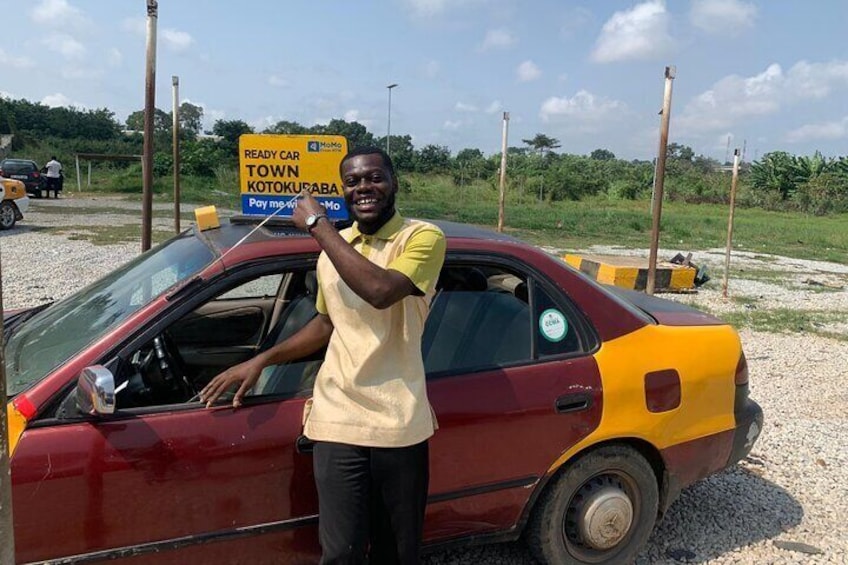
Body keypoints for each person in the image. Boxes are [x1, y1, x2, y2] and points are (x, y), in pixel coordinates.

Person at [200, 146, 446, 564]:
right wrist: (263, 359)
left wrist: (317, 225)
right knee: (340, 553)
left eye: (374, 177)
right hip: (337, 420)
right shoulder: (334, 247)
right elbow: (326, 324)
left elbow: (381, 291)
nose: (364, 188)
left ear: (394, 183)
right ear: (342, 189)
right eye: (352, 182)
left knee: (397, 552)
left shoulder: (421, 238)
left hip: (398, 422)